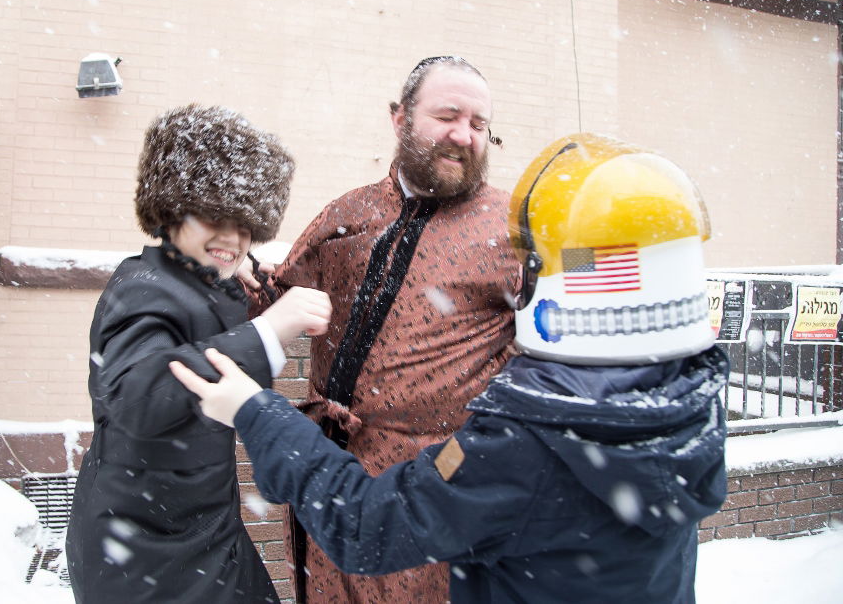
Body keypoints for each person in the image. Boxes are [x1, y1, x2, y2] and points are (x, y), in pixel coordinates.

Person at [176, 133, 730, 604]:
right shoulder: (686, 399)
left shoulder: (534, 443)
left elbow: (365, 523)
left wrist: (258, 412)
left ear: (543, 279)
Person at [239, 56, 522, 603]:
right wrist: (225, 276)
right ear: (400, 119)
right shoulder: (348, 212)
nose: (463, 135)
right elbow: (279, 295)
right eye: (447, 116)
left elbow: (586, 300)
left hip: (432, 492)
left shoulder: (517, 227)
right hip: (327, 477)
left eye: (479, 124)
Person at [65, 104, 332, 604]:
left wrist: (241, 282)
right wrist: (269, 330)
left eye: (246, 224)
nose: (232, 237)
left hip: (195, 531)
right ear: (172, 211)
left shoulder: (186, 280)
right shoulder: (143, 286)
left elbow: (198, 332)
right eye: (216, 218)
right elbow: (136, 398)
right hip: (151, 553)